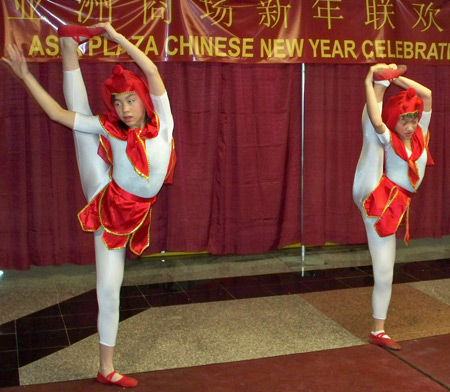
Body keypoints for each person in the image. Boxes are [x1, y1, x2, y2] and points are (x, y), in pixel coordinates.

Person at [2, 23, 175, 387]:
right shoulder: (111, 129)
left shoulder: (164, 124)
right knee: (108, 289)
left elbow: (152, 70)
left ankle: (68, 42)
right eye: (117, 102)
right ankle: (107, 368)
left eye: (130, 100)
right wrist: (25, 76)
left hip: (133, 212)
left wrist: (117, 38)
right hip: (105, 204)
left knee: (114, 288)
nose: (124, 109)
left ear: (144, 99)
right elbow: (56, 114)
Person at [352, 63, 433, 350]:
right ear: (395, 121)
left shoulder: (421, 133)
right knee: (370, 140)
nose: (409, 126)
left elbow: (427, 93)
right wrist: (371, 80)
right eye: (404, 121)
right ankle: (378, 84)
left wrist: (396, 78)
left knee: (385, 271)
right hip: (378, 198)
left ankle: (378, 330)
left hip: (396, 205)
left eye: (413, 119)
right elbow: (375, 120)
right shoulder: (390, 138)